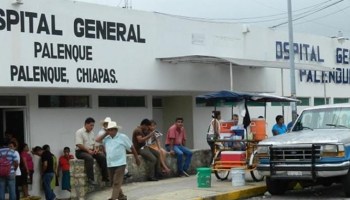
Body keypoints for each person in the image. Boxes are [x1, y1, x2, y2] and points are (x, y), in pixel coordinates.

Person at [96, 121, 140, 200]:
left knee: (116, 183)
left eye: (112, 130)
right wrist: (106, 133)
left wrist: (136, 158)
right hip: (110, 163)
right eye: (109, 130)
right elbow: (97, 140)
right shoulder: (106, 138)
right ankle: (122, 197)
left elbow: (132, 147)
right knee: (113, 182)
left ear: (116, 130)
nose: (110, 131)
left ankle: (113, 198)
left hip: (120, 163)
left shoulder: (122, 137)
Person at [75, 117, 109, 185]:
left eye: (93, 125)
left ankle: (105, 177)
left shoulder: (92, 133)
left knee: (102, 156)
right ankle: (90, 179)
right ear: (86, 124)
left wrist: (96, 149)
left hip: (91, 150)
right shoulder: (79, 132)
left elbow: (94, 143)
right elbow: (79, 144)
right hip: (81, 152)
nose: (92, 127)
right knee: (89, 158)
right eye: (91, 125)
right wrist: (88, 151)